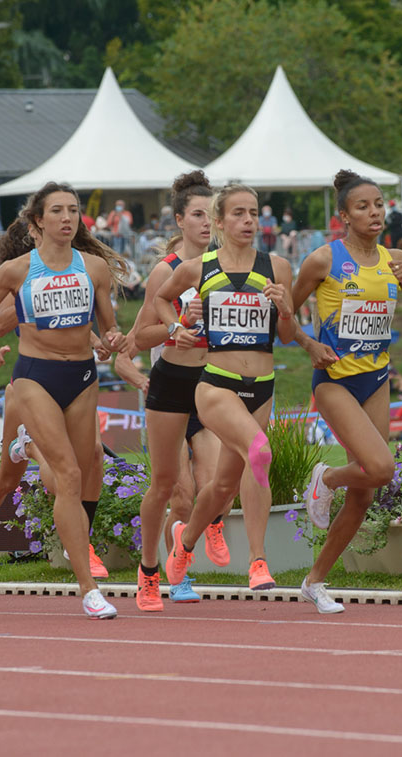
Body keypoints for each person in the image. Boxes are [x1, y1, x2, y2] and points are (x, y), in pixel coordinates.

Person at [0, 183, 126, 620]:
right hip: (35, 376)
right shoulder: (17, 271)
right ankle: (89, 588)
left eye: (73, 210)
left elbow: (109, 327)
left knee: (84, 463)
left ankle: (20, 455)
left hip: (82, 376)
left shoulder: (94, 268)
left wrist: (114, 340)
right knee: (69, 474)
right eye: (57, 211)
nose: (67, 218)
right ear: (37, 221)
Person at [292, 169, 402, 614]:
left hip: (376, 379)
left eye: (379, 204)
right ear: (344, 216)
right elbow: (285, 317)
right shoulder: (323, 260)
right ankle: (327, 477)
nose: (374, 212)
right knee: (379, 467)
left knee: (367, 490)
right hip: (335, 380)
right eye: (363, 206)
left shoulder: (396, 259)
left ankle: (315, 581)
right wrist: (308, 342)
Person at [158, 183, 298, 593]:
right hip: (217, 385)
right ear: (219, 221)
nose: (248, 221)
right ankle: (258, 562)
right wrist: (179, 324)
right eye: (238, 213)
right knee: (261, 450)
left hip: (263, 385)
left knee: (223, 486)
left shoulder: (278, 267)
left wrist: (285, 308)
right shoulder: (198, 268)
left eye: (254, 213)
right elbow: (162, 301)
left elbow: (287, 334)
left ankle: (184, 543)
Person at [127, 171, 230, 611]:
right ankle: (150, 571)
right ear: (180, 222)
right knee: (172, 489)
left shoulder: (229, 269)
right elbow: (139, 340)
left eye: (213, 216)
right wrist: (177, 325)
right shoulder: (166, 273)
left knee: (218, 485)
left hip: (209, 386)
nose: (207, 224)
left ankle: (184, 552)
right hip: (170, 385)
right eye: (198, 216)